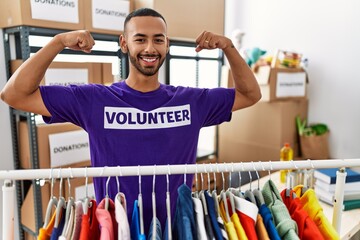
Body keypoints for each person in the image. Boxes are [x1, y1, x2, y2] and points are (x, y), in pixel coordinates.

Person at [1, 8, 261, 236]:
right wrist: (57, 42)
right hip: (117, 229)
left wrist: (228, 47)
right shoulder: (94, 100)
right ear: (124, 44)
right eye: (140, 39)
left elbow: (251, 94)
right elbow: (14, 94)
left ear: (167, 44)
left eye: (158, 40)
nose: (150, 49)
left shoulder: (192, 101)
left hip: (177, 228)